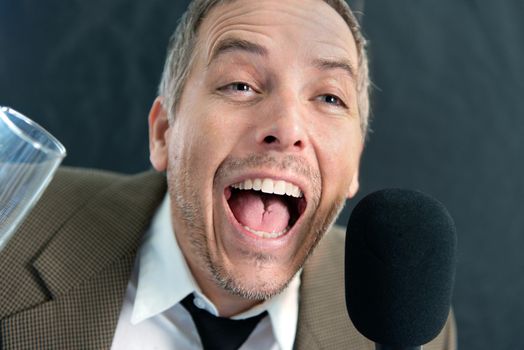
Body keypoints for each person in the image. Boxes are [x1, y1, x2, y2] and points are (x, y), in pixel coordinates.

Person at [0, 0, 456, 349]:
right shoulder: (14, 223)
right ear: (163, 133)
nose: (287, 128)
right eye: (241, 84)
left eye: (330, 98)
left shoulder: (407, 322)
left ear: (355, 162)